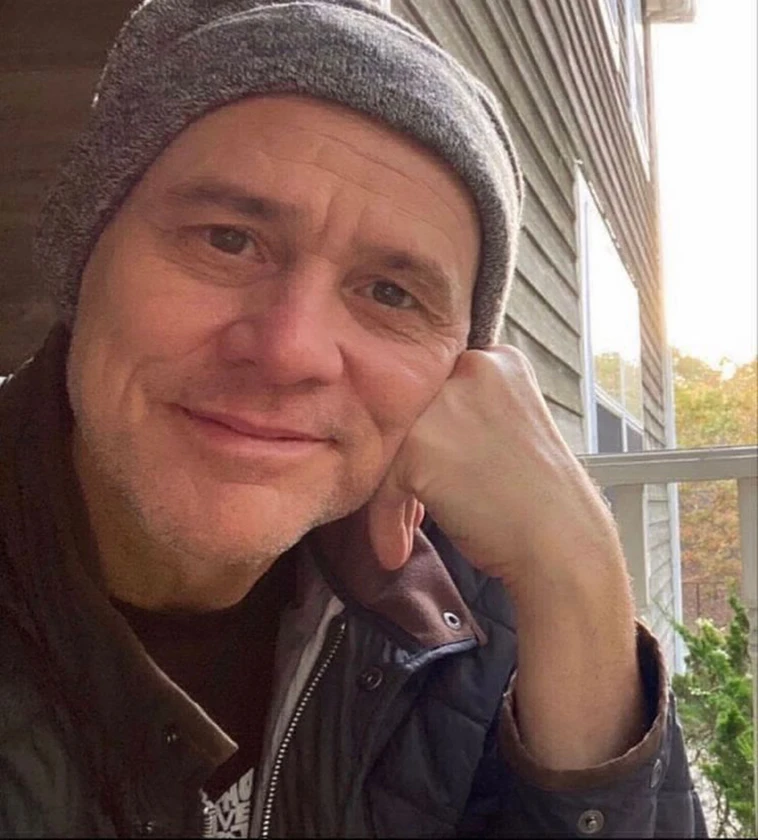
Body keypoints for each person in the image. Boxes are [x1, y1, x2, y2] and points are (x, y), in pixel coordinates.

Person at [0, 0, 707, 836]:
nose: (289, 350)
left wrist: (576, 576)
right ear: (84, 253)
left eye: (390, 294)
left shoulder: (474, 604)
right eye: (226, 239)